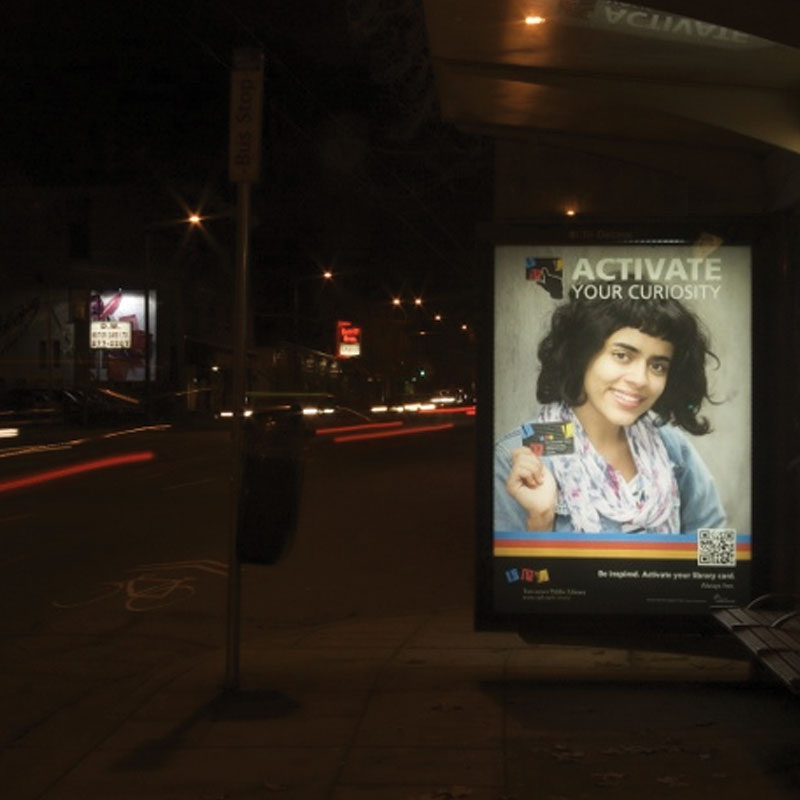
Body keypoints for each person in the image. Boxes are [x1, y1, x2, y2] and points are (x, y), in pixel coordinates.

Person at [494, 283, 725, 534]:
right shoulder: (526, 453)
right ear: (582, 354)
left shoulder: (672, 446)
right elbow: (514, 572)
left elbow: (715, 542)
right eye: (622, 355)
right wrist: (540, 520)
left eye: (658, 366)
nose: (640, 379)